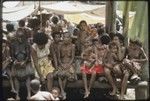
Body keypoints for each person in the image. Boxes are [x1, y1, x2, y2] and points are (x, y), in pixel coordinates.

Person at [10, 28, 34, 100]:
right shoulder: (13, 44)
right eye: (18, 37)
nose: (20, 38)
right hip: (16, 63)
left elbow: (28, 55)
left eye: (21, 37)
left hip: (25, 63)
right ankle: (17, 95)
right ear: (16, 36)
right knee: (16, 77)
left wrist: (25, 61)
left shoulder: (27, 44)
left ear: (24, 36)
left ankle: (29, 94)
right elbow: (12, 56)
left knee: (28, 77)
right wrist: (16, 61)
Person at [57, 32, 76, 100]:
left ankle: (61, 92)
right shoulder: (59, 46)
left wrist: (68, 64)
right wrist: (62, 64)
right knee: (59, 75)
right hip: (61, 63)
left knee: (65, 75)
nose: (66, 39)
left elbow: (73, 57)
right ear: (63, 38)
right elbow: (58, 58)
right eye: (64, 37)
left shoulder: (73, 46)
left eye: (67, 37)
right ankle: (62, 91)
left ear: (70, 38)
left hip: (69, 63)